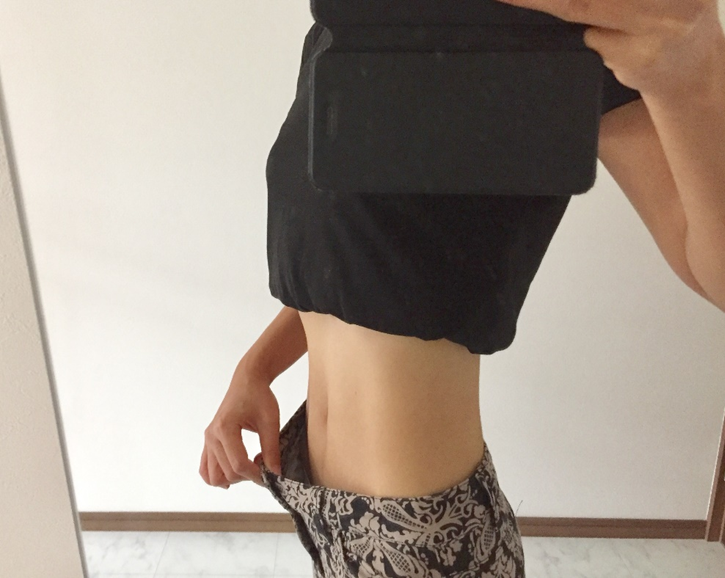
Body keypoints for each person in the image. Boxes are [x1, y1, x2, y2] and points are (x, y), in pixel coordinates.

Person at [199, 19, 721, 578]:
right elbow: (358, 260)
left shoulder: (557, 28)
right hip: (324, 511)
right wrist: (254, 369)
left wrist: (695, 71)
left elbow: (709, 268)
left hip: (420, 540)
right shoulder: (349, 24)